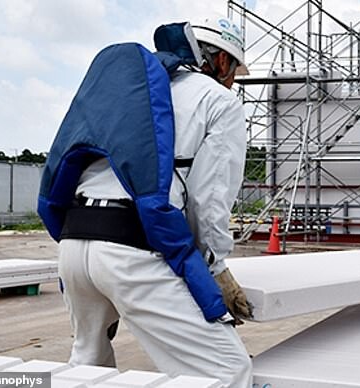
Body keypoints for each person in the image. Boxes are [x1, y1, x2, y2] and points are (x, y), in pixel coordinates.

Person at [54, 15, 253, 386]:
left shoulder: (126, 93)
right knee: (227, 370)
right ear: (222, 62)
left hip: (73, 243)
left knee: (87, 364)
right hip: (131, 251)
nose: (233, 81)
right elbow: (209, 200)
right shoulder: (219, 101)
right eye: (234, 72)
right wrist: (215, 269)